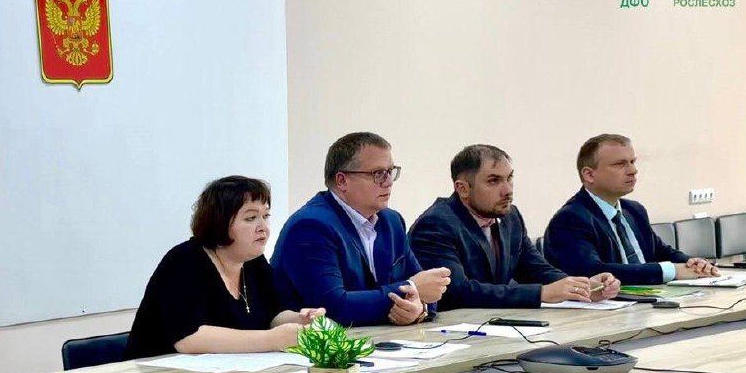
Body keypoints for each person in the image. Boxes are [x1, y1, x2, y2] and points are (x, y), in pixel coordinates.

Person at [125, 176, 324, 359]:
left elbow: (273, 314)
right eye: (251, 218)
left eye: (266, 216)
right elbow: (188, 338)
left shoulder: (253, 262)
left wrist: (300, 321)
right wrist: (272, 339)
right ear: (220, 222)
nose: (263, 227)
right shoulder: (184, 260)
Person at [271, 132, 451, 326]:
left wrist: (418, 309)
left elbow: (428, 291)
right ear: (342, 181)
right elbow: (332, 308)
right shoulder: (311, 227)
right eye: (378, 174)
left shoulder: (392, 221)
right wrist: (411, 288)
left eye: (390, 172)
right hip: (316, 342)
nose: (388, 182)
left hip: (380, 337)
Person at [409, 144, 620, 310]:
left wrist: (582, 287)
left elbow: (535, 269)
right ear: (463, 188)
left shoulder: (511, 217)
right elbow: (458, 292)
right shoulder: (436, 224)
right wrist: (541, 293)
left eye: (509, 178)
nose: (507, 190)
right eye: (494, 181)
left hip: (494, 323)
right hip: (450, 329)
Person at [544, 134, 719, 285]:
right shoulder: (570, 219)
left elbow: (660, 251)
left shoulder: (634, 210)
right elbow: (592, 271)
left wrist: (693, 263)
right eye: (620, 164)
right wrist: (669, 271)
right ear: (589, 174)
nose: (633, 170)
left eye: (632, 162)